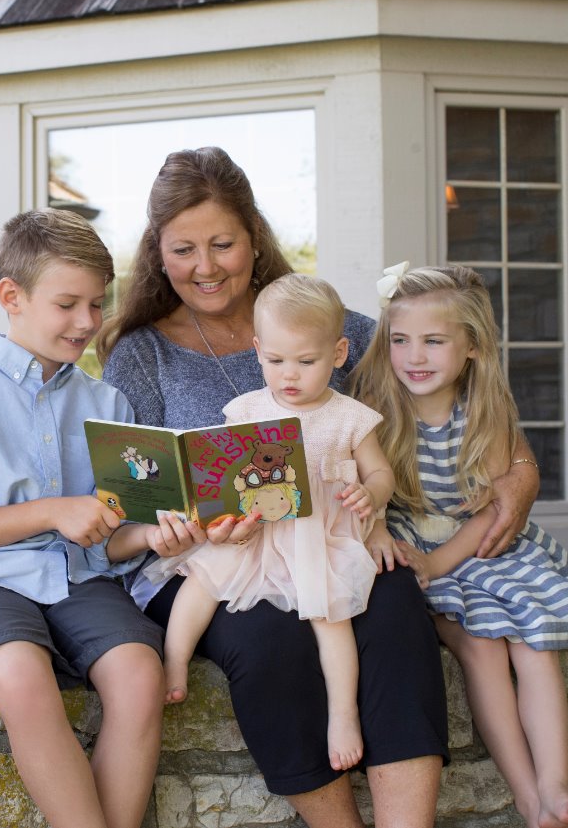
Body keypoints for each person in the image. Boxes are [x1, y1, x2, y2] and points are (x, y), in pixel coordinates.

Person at [98, 146, 541, 828]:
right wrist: (174, 525)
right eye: (184, 248)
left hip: (333, 538)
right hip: (213, 561)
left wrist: (521, 470)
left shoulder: (329, 325)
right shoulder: (141, 357)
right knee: (271, 643)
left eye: (223, 242)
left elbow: (449, 383)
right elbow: (126, 507)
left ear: (254, 237)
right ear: (158, 252)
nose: (206, 266)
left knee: (394, 609)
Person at [0, 208, 192, 828]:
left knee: (140, 675)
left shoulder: (106, 403)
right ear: (13, 296)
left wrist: (154, 533)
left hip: (77, 581)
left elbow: (105, 539)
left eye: (97, 303)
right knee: (20, 675)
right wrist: (55, 511)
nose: (87, 322)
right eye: (68, 304)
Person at [351, 262, 568, 828]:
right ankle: (526, 796)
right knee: (482, 648)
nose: (415, 357)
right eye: (401, 340)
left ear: (470, 346)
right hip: (410, 544)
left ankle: (555, 787)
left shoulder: (483, 416)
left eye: (434, 341)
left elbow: (492, 512)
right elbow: (356, 493)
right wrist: (386, 542)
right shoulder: (372, 412)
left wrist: (436, 564)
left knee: (535, 644)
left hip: (476, 549)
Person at [144, 273, 394, 774]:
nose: (290, 375)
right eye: (276, 361)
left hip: (318, 537)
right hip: (256, 528)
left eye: (307, 361)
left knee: (331, 621)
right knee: (201, 579)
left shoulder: (349, 417)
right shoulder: (246, 409)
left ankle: (342, 716)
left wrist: (371, 494)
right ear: (257, 351)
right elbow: (228, 472)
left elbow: (381, 471)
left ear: (339, 352)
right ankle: (174, 659)